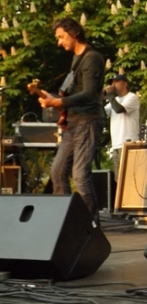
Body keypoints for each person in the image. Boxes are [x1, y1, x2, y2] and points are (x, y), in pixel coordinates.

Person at [38, 17, 105, 222]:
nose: (59, 42)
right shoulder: (77, 59)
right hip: (74, 122)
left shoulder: (92, 58)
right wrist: (53, 99)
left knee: (80, 175)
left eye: (61, 37)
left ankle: (90, 225)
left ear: (73, 33)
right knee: (57, 171)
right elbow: (73, 93)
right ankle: (66, 221)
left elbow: (90, 93)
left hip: (88, 121)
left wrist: (58, 102)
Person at [104, 74, 140, 182]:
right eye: (112, 82)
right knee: (119, 179)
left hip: (129, 142)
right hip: (116, 144)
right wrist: (100, 99)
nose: (113, 85)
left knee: (130, 177)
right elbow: (103, 114)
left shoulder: (132, 97)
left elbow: (119, 109)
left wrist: (110, 95)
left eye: (116, 82)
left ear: (124, 84)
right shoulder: (114, 100)